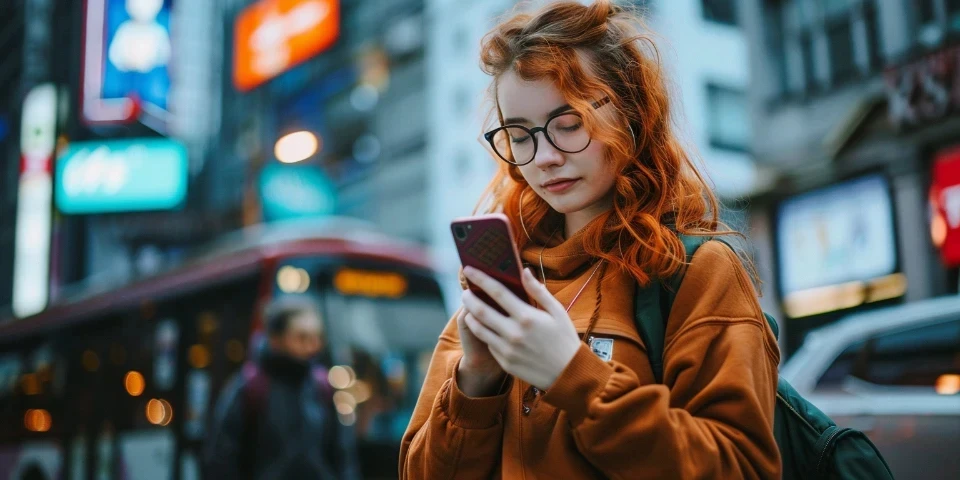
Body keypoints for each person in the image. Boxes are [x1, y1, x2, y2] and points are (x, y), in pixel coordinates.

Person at [399, 1, 781, 479]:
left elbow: (741, 467)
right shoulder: (505, 276)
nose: (544, 157)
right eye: (520, 135)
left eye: (569, 124)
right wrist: (474, 379)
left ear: (631, 112)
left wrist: (574, 378)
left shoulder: (694, 271)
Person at [205, 296, 359, 480]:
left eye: (317, 337)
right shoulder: (250, 388)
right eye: (302, 337)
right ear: (275, 339)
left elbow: (343, 457)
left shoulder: (322, 388)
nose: (312, 346)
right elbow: (222, 460)